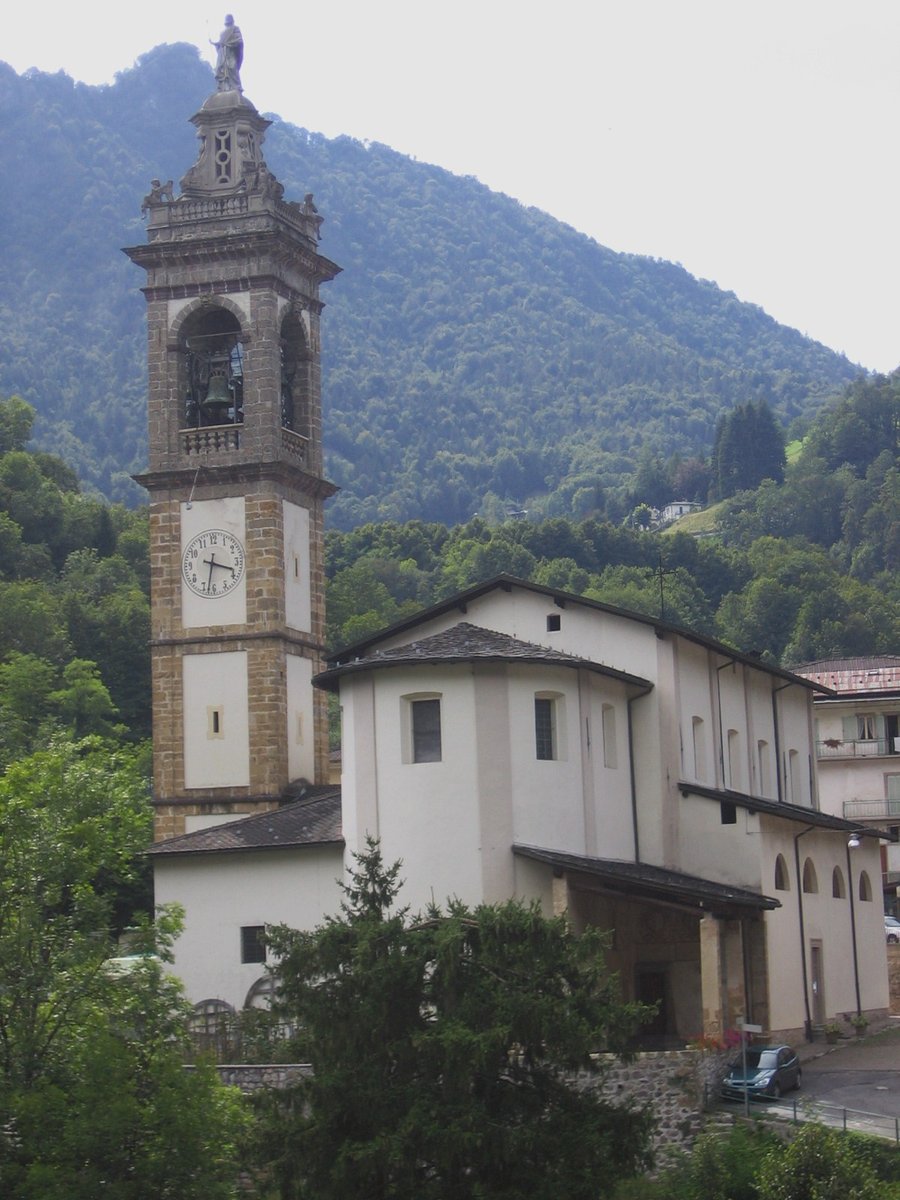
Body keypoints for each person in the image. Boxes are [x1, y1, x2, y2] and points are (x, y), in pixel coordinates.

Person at [212, 15, 243, 92]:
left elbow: (239, 40)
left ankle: (235, 86)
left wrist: (229, 43)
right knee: (220, 68)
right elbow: (220, 43)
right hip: (222, 53)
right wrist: (215, 43)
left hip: (230, 52)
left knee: (232, 68)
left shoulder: (235, 29)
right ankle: (223, 87)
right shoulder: (222, 32)